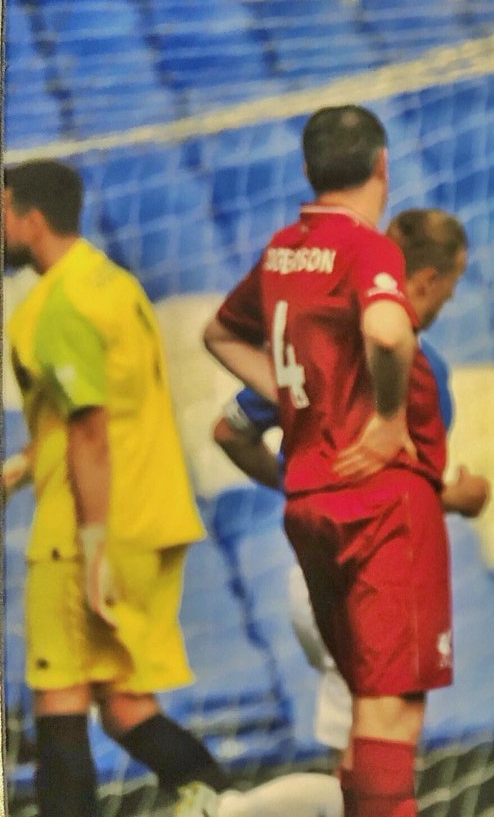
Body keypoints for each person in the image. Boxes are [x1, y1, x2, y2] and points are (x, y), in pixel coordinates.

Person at [203, 105, 455, 817]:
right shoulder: (367, 248)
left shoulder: (284, 250)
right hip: (378, 502)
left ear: (309, 169)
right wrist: (386, 418)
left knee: (363, 713)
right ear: (382, 166)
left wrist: (297, 398)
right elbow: (387, 331)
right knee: (389, 715)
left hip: (308, 496)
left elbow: (219, 334)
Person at [2, 159, 230, 816]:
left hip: (86, 531)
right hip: (150, 517)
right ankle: (230, 803)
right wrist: (19, 469)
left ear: (30, 218)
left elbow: (91, 431)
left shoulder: (57, 305)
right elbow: (98, 412)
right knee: (126, 705)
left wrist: (94, 546)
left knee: (61, 701)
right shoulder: (115, 284)